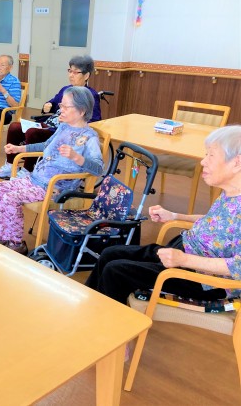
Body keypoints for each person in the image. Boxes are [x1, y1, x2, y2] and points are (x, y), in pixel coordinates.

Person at [85, 125, 241, 304]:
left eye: (211, 155)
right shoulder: (231, 192)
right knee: (110, 253)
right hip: (185, 251)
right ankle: (91, 309)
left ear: (236, 163)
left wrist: (184, 260)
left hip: (205, 280)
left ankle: (109, 320)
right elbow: (213, 222)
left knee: (115, 271)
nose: (203, 162)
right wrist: (174, 216)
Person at [0, 86, 104, 255]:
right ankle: (2, 235)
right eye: (61, 106)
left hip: (55, 188)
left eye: (65, 107)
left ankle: (15, 243)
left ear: (81, 111)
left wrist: (76, 157)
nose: (60, 110)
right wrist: (18, 149)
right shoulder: (63, 127)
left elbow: (98, 168)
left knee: (10, 198)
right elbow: (45, 146)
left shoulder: (89, 137)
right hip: (36, 179)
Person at [0, 55, 101, 179]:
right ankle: (11, 165)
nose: (71, 75)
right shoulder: (66, 89)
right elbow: (53, 103)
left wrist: (69, 122)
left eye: (75, 72)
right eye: (70, 71)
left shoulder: (90, 95)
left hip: (61, 132)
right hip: (50, 124)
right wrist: (47, 105)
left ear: (86, 75)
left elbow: (94, 120)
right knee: (15, 127)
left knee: (33, 133)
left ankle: (28, 170)